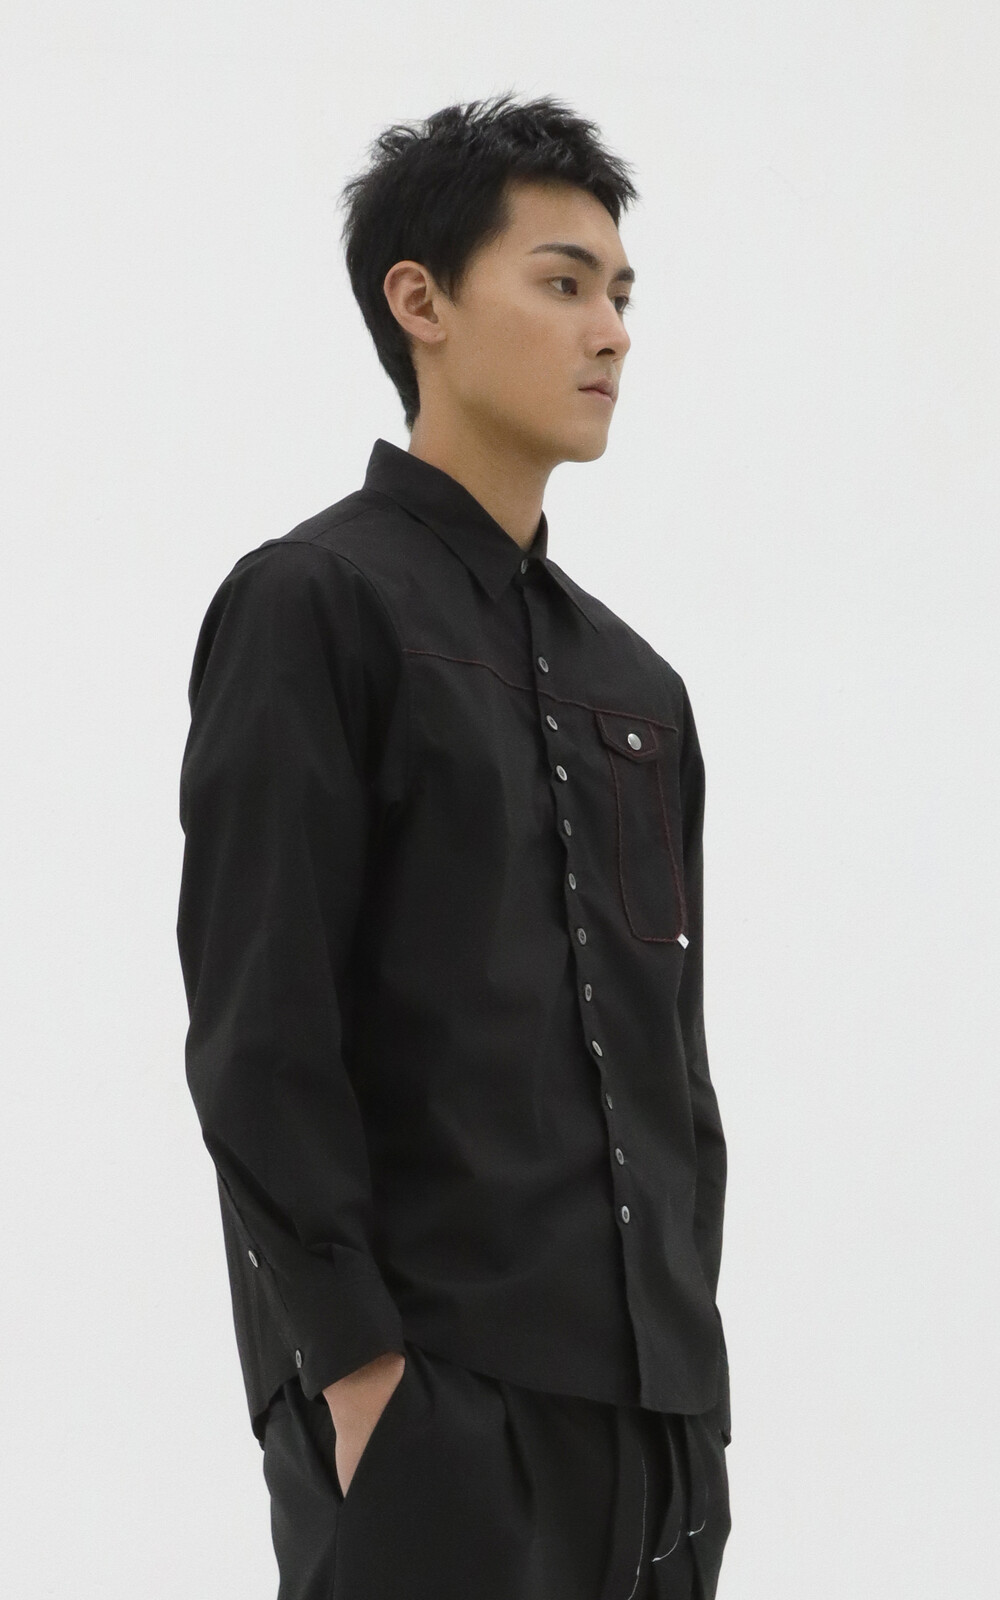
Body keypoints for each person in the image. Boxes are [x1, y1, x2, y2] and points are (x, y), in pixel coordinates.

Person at [176, 89, 731, 1600]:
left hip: (657, 1439)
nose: (610, 332)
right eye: (563, 283)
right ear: (418, 302)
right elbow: (259, 1034)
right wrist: (360, 1379)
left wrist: (694, 1396)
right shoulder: (312, 606)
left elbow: (675, 1074)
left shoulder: (640, 688)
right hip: (431, 1414)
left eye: (623, 295)